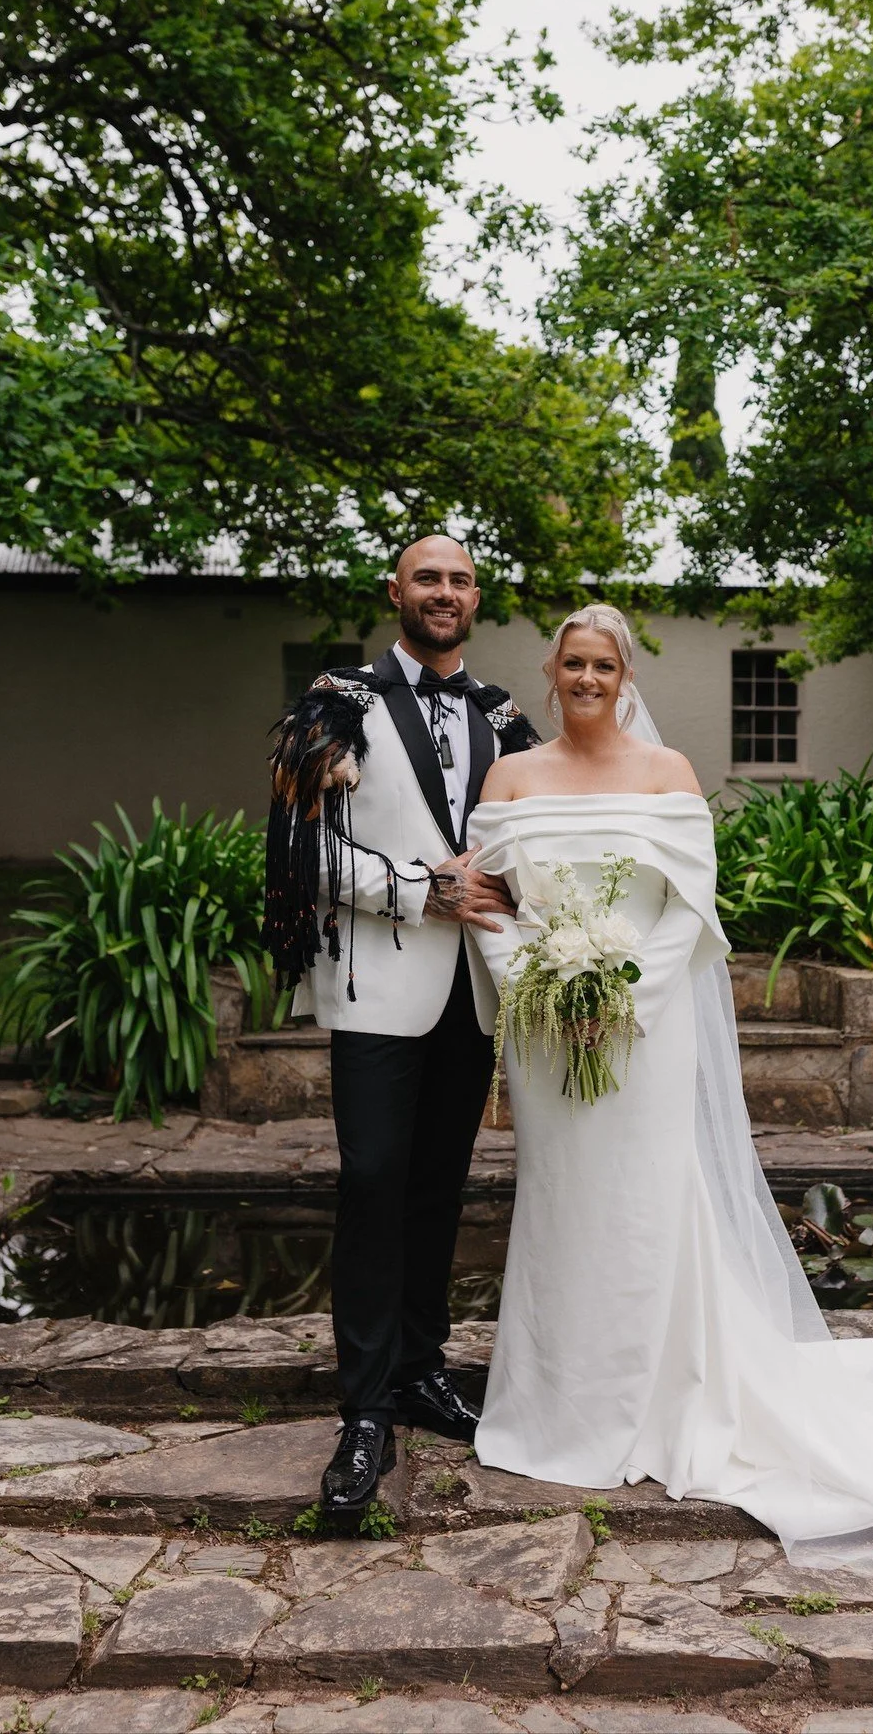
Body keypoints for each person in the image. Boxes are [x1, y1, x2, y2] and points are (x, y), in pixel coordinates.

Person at [465, 603, 873, 1567]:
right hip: (547, 1031)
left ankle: (660, 1390)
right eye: (572, 665)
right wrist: (539, 988)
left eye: (604, 666)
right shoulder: (510, 777)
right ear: (548, 672)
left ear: (622, 676)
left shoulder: (665, 775)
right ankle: (558, 1402)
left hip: (645, 1023)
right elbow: (487, 903)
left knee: (645, 1200)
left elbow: (688, 913)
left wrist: (621, 998)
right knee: (561, 1201)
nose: (587, 680)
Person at [264, 536, 539, 1522]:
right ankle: (366, 1407)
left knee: (435, 1188)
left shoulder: (507, 718)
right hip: (377, 986)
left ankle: (421, 1372)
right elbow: (303, 849)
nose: (445, 591)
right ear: (396, 592)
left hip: (473, 989)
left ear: (475, 597)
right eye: (428, 576)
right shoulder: (337, 701)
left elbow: (537, 839)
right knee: (374, 1180)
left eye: (460, 578)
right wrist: (419, 892)